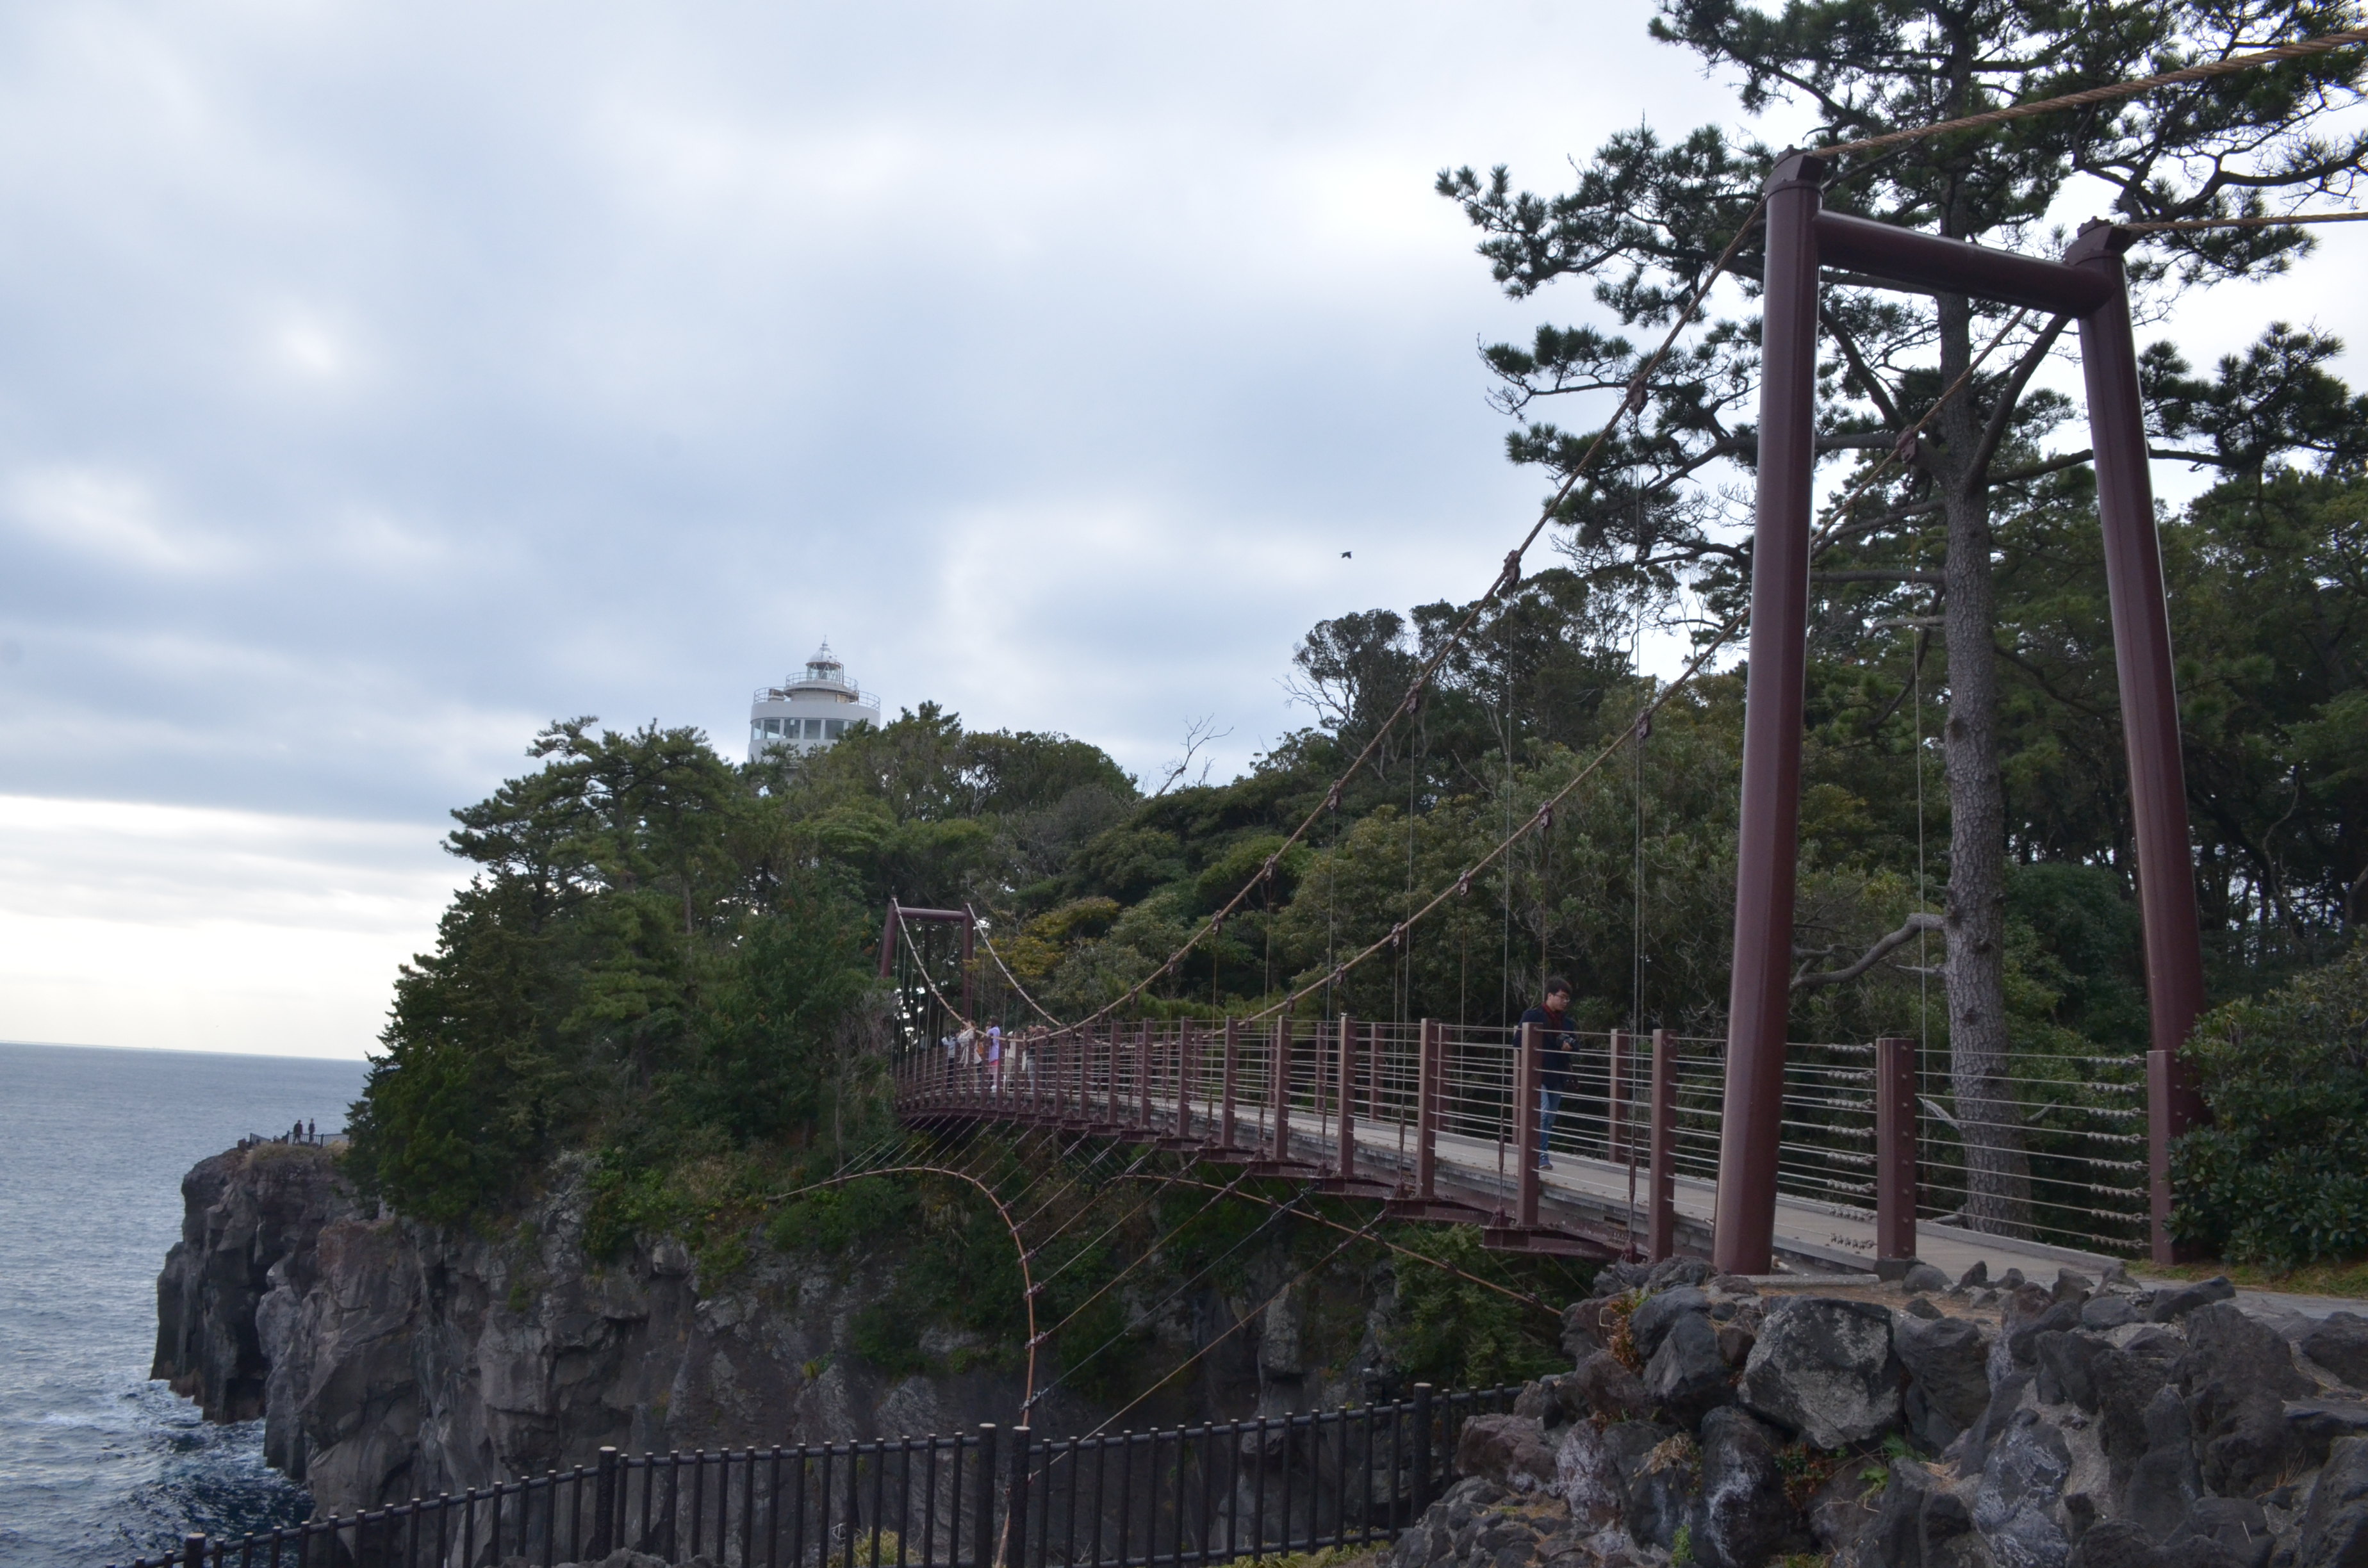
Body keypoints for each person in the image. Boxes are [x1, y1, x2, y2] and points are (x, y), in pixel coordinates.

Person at [1519, 977, 1577, 1171]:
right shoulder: (1532, 1016)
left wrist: (1570, 1046)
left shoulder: (1568, 1022)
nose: (1564, 1002)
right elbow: (1518, 1042)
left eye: (1567, 999)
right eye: (1562, 997)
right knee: (1542, 1113)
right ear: (1550, 995)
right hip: (1538, 1075)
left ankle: (1538, 1151)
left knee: (1550, 1117)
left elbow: (1577, 1046)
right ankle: (1540, 1155)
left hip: (1558, 1075)